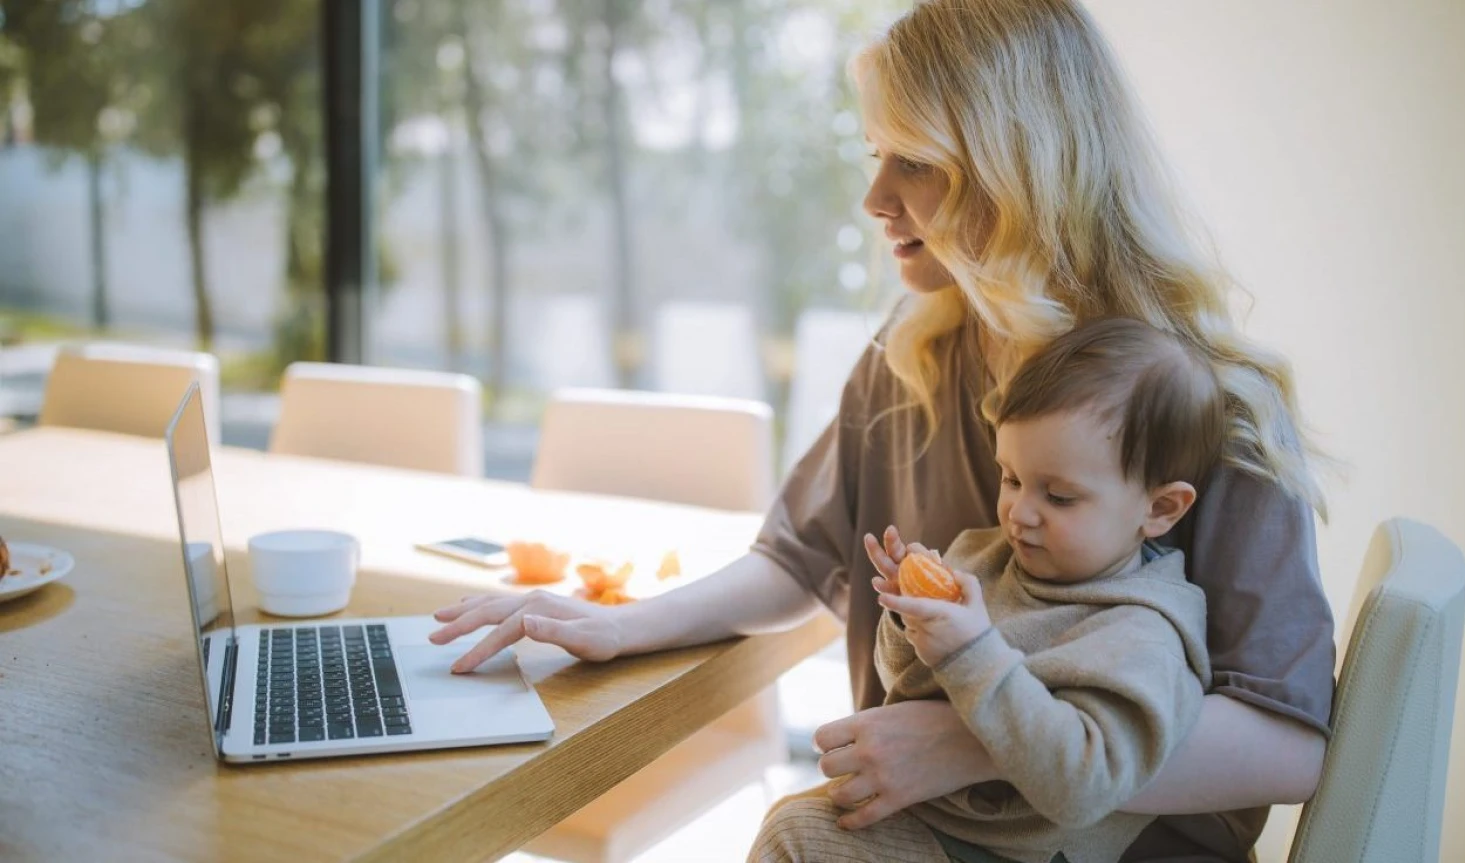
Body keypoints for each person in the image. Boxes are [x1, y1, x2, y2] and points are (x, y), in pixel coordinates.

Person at [429, 1, 1335, 859]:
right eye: (875, 154)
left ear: (1019, 169)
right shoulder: (911, 359)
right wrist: (626, 624)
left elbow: (1288, 743)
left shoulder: (1215, 405)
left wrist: (977, 740)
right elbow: (797, 558)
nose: (874, 196)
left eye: (917, 162)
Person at [751, 317, 1225, 863]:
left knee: (796, 836)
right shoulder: (986, 557)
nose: (1019, 513)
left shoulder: (1141, 632)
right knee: (793, 821)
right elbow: (904, 688)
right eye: (1012, 479)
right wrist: (911, 622)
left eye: (1060, 497)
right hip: (935, 822)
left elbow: (1082, 787)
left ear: (1160, 508)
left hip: (1010, 853)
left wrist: (971, 651)